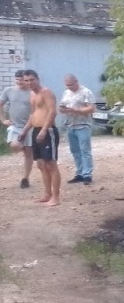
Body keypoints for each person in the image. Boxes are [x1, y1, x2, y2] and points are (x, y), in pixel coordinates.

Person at [17, 70, 61, 207]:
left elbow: (52, 112)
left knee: (50, 164)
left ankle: (56, 197)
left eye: (32, 80)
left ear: (38, 79)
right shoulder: (32, 94)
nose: (29, 83)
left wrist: (44, 129)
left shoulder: (46, 92)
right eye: (26, 80)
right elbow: (33, 114)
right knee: (41, 164)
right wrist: (25, 130)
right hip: (36, 130)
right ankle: (47, 194)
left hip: (48, 131)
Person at [58, 74, 95, 184]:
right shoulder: (66, 93)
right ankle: (80, 173)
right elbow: (62, 105)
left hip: (83, 125)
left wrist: (76, 110)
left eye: (71, 85)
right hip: (70, 125)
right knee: (75, 151)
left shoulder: (86, 92)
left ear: (76, 81)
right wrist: (62, 109)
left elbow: (91, 108)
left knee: (85, 150)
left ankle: (87, 174)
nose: (69, 87)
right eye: (67, 85)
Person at [0, 71, 34, 189]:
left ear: (26, 80)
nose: (19, 82)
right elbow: (0, 104)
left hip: (30, 126)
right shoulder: (9, 91)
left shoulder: (32, 92)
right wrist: (3, 120)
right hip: (15, 126)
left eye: (22, 80)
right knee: (15, 146)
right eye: (17, 79)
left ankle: (25, 178)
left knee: (29, 153)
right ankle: (21, 146)